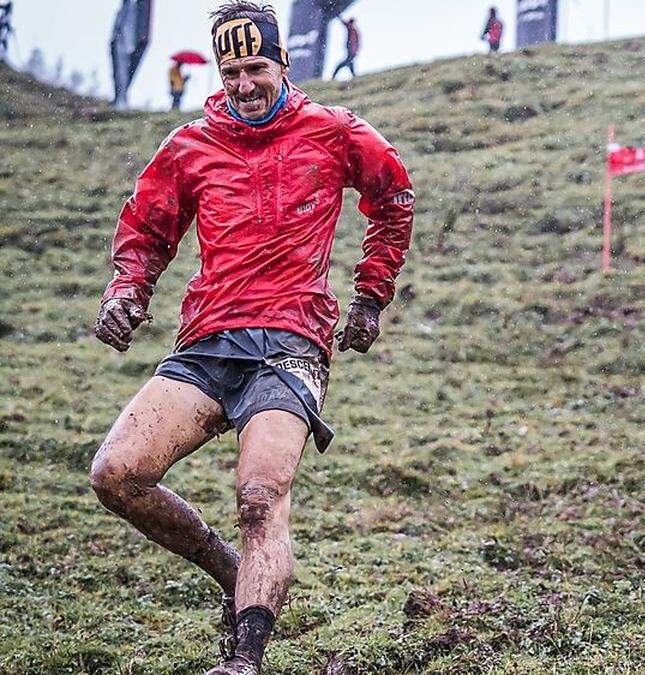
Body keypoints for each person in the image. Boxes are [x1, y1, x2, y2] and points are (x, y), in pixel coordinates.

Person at [88, 2, 414, 673]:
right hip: (207, 343)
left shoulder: (332, 131)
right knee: (115, 474)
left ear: (283, 62)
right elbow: (147, 229)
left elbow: (393, 195)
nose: (243, 84)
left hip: (291, 345)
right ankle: (227, 567)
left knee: (260, 496)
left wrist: (371, 294)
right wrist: (126, 292)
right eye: (230, 70)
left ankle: (244, 660)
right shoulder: (189, 146)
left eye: (256, 67)